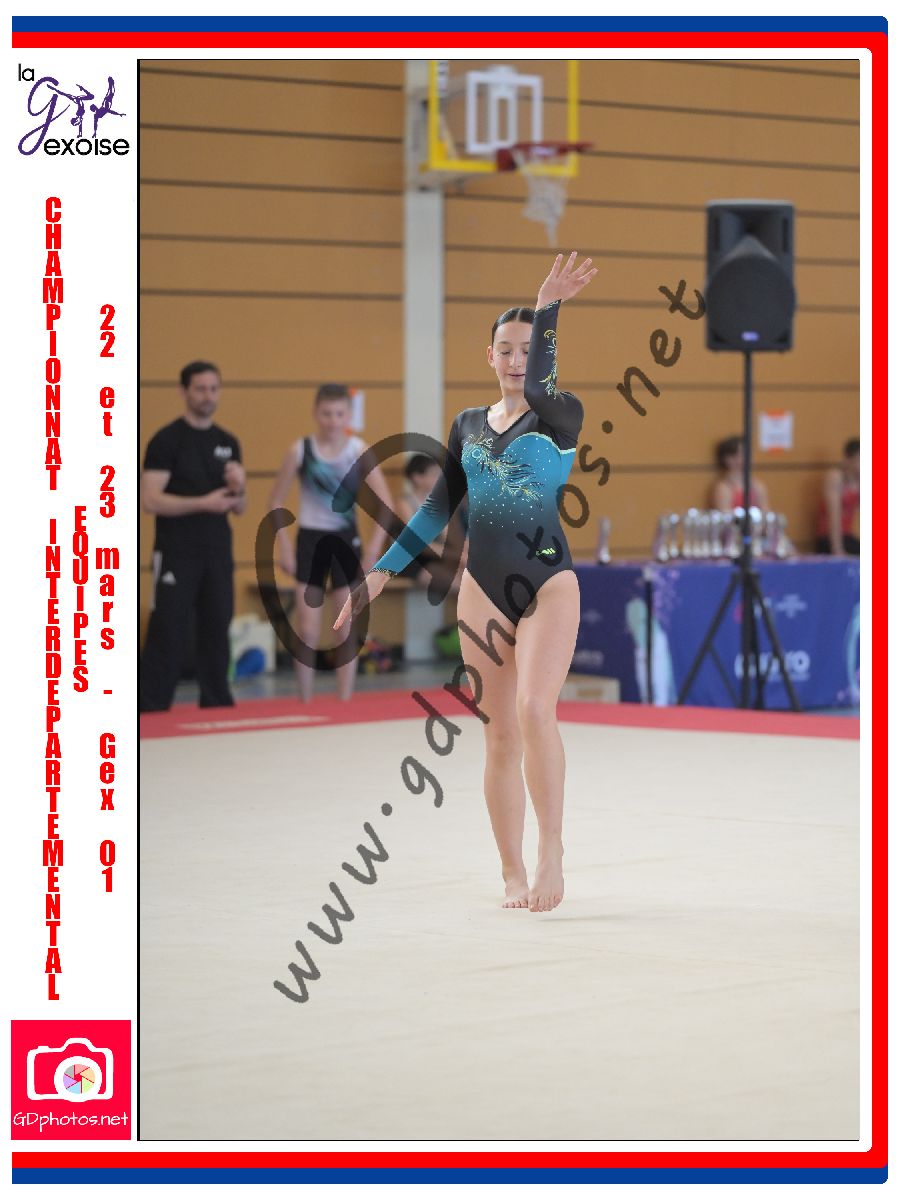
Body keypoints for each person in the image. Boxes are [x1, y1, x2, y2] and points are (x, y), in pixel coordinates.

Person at [335, 252, 598, 913]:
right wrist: (379, 573)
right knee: (499, 732)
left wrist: (548, 305)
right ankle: (511, 871)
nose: (516, 360)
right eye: (506, 350)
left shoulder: (558, 414)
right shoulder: (468, 426)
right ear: (489, 356)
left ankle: (551, 847)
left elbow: (541, 385)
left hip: (548, 582)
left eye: (528, 349)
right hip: (483, 586)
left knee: (535, 710)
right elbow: (435, 510)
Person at [268, 383, 395, 702]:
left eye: (339, 414)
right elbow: (275, 501)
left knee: (344, 626)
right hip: (310, 541)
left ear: (349, 416)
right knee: (308, 629)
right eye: (326, 414)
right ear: (315, 413)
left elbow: (385, 505)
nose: (333, 421)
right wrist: (284, 546)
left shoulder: (358, 451)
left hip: (345, 541)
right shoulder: (300, 451)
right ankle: (305, 699)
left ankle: (345, 700)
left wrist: (373, 549)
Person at [140, 361, 246, 711]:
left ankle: (217, 701)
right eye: (200, 389)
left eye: (213, 389)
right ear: (183, 391)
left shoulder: (227, 442)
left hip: (217, 549)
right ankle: (152, 703)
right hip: (176, 550)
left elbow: (239, 507)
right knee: (169, 626)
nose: (207, 396)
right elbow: (150, 500)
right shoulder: (166, 440)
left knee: (217, 624)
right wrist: (203, 502)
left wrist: (238, 487)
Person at [389, 454, 469, 595]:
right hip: (411, 560)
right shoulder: (403, 503)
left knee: (475, 581)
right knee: (464, 588)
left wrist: (465, 552)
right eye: (434, 474)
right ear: (417, 478)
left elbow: (447, 536)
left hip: (435, 558)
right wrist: (457, 556)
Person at [814, 438, 860, 555]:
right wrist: (837, 549)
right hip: (828, 539)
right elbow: (834, 516)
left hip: (847, 537)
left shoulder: (859, 482)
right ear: (847, 459)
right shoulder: (835, 477)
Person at [710, 434, 769, 513]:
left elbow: (765, 512)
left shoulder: (756, 485)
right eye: (739, 455)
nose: (745, 458)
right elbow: (725, 516)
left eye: (747, 454)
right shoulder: (723, 488)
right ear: (727, 458)